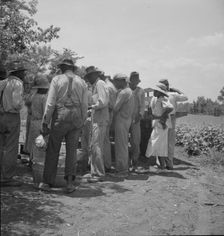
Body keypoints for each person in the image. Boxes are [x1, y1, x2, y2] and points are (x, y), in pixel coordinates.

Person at [39, 59, 88, 193]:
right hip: (77, 114)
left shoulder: (57, 79)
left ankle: (47, 182)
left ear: (62, 68)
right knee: (72, 150)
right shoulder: (81, 82)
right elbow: (85, 104)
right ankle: (70, 184)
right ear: (72, 68)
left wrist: (45, 120)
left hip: (61, 114)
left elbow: (50, 103)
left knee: (53, 148)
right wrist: (82, 120)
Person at [0, 61, 26, 186]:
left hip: (1, 115)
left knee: (1, 146)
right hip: (11, 116)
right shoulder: (18, 83)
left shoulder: (3, 82)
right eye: (23, 72)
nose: (24, 74)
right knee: (10, 148)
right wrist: (21, 104)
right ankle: (7, 177)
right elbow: (17, 103)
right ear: (19, 73)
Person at [84, 66, 109, 182]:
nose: (89, 79)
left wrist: (92, 107)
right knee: (94, 146)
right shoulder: (95, 86)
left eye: (90, 76)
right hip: (97, 119)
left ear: (95, 75)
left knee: (97, 146)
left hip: (100, 120)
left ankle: (99, 173)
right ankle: (94, 172)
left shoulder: (100, 84)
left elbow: (103, 102)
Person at [159, 79, 188, 170]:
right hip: (171, 118)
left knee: (161, 141)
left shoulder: (158, 96)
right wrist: (176, 90)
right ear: (167, 86)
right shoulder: (173, 95)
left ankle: (161, 163)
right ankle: (169, 164)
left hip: (160, 118)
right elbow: (185, 97)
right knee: (170, 142)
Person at [145, 84, 173, 170]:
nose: (154, 92)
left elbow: (170, 108)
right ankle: (162, 166)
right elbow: (151, 108)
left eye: (155, 91)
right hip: (158, 124)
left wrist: (161, 117)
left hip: (161, 125)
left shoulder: (163, 99)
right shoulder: (155, 98)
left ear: (159, 92)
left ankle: (146, 164)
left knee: (153, 143)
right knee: (160, 146)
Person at [112, 73, 134, 178]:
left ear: (121, 81)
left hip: (121, 120)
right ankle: (124, 167)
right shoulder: (129, 91)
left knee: (121, 145)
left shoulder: (124, 93)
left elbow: (115, 108)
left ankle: (122, 170)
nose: (114, 84)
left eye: (115, 82)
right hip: (127, 120)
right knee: (124, 144)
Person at [26, 74, 49, 160]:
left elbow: (30, 110)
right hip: (40, 122)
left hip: (33, 121)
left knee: (33, 142)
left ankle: (32, 160)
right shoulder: (44, 98)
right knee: (40, 143)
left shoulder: (34, 96)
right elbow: (45, 113)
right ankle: (38, 161)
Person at [128, 72, 145, 171]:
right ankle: (125, 162)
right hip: (125, 118)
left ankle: (134, 162)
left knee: (135, 141)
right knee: (123, 141)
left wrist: (140, 115)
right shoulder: (126, 90)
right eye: (133, 80)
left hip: (136, 118)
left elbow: (142, 105)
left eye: (136, 80)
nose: (135, 82)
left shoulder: (140, 91)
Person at [104, 75, 117, 172]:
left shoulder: (107, 87)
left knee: (104, 140)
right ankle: (107, 163)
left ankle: (106, 164)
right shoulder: (111, 86)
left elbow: (108, 104)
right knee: (106, 139)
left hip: (106, 114)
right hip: (109, 114)